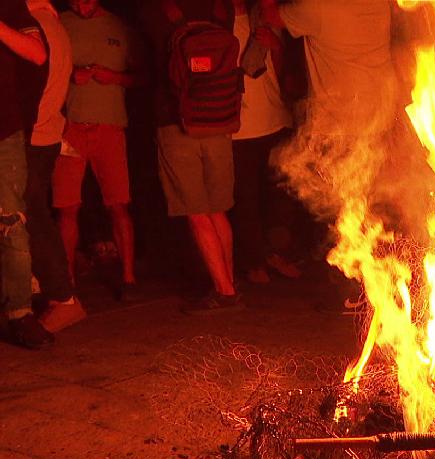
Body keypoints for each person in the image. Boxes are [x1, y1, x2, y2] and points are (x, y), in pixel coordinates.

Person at [260, 0, 399, 315]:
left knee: (342, 211)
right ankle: (380, 286)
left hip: (339, 125)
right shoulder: (380, 5)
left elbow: (271, 17)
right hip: (379, 118)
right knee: (369, 207)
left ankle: (354, 294)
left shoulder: (318, 7)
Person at [141, 0, 243, 314]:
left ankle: (224, 292)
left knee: (197, 212)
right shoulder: (220, 7)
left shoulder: (158, 9)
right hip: (219, 118)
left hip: (176, 122)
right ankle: (228, 284)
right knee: (217, 210)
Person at [53, 0, 142, 300]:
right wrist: (70, 76)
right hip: (70, 128)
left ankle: (129, 278)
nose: (80, 4)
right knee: (67, 207)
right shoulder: (60, 23)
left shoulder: (119, 27)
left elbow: (140, 76)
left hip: (110, 128)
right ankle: (68, 285)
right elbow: (42, 67)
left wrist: (113, 77)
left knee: (118, 204)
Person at [25, 0, 86, 333]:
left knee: (30, 216)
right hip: (45, 133)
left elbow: (29, 85)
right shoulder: (51, 23)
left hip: (32, 135)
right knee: (31, 216)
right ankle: (49, 294)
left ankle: (62, 298)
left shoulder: (33, 24)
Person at [229, 0, 296, 285]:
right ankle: (253, 261)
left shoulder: (264, 19)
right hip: (239, 128)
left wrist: (276, 46)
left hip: (274, 119)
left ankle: (275, 254)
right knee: (246, 201)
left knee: (279, 198)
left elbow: (281, 73)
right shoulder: (219, 22)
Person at [1, 0, 51, 349]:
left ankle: (21, 314)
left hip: (4, 132)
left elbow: (37, 53)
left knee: (11, 223)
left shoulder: (10, 7)